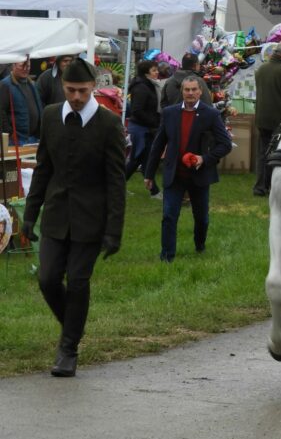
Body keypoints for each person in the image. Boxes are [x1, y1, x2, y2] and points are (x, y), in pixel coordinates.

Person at [20, 59, 126, 377]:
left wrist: (114, 230)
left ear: (93, 87)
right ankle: (73, 327)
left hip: (90, 219)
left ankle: (68, 350)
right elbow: (43, 170)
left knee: (78, 283)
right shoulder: (52, 116)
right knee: (48, 279)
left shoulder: (108, 124)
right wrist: (29, 216)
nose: (76, 96)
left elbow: (116, 181)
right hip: (55, 215)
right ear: (63, 87)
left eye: (82, 90)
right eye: (70, 90)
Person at [144, 77, 232, 263]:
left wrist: (204, 159)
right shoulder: (169, 113)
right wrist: (149, 174)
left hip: (199, 175)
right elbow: (158, 144)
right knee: (169, 215)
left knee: (202, 219)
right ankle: (167, 256)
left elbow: (225, 144)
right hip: (174, 173)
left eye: (194, 90)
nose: (190, 93)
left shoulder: (210, 115)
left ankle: (200, 245)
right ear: (182, 92)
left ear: (200, 92)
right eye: (187, 90)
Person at [253, 40, 281, 197]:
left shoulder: (261, 69)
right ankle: (274, 187)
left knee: (263, 154)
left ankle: (260, 187)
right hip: (280, 120)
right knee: (278, 155)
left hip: (262, 118)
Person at [125, 59, 162, 194]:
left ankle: (154, 190)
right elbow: (137, 110)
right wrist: (153, 121)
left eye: (156, 70)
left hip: (147, 127)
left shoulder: (150, 85)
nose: (157, 72)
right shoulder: (141, 87)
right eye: (154, 70)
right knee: (138, 158)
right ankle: (154, 191)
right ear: (146, 73)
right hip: (141, 128)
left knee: (144, 158)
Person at [0, 57, 42, 145]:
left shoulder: (31, 83)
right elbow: (1, 111)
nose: (26, 69)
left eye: (28, 66)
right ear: (13, 65)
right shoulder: (5, 85)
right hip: (16, 140)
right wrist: (10, 133)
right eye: (22, 66)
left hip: (33, 138)